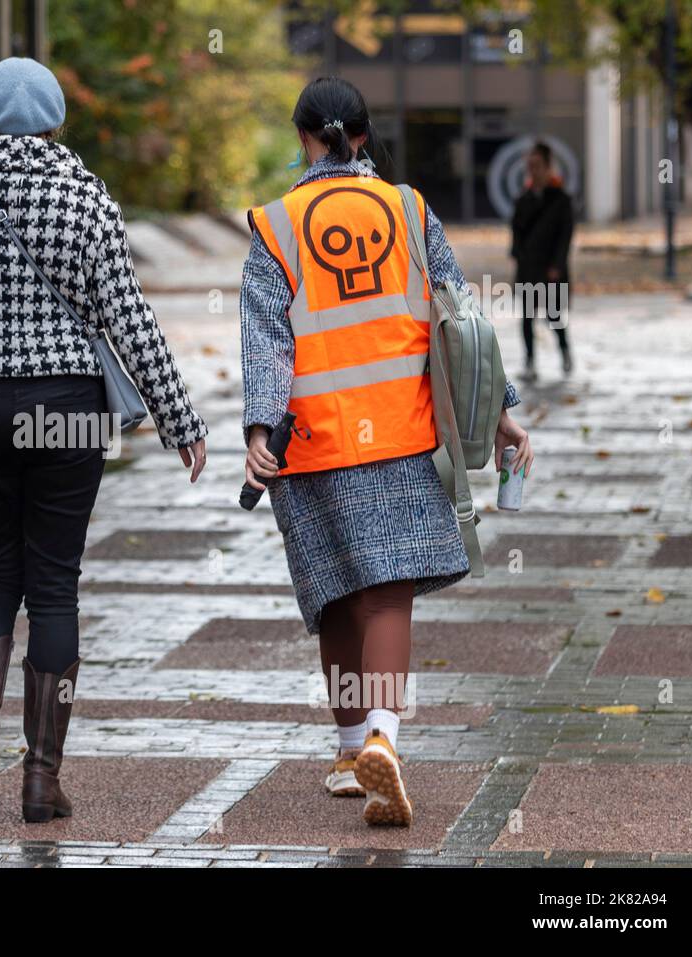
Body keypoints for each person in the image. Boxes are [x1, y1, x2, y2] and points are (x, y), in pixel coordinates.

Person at [0, 57, 209, 823]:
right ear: (57, 120)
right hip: (67, 407)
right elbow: (127, 316)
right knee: (55, 582)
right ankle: (40, 776)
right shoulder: (87, 197)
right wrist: (178, 419)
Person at [240, 76, 535, 826]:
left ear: (305, 137)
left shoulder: (274, 224)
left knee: (337, 590)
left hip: (310, 438)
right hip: (402, 430)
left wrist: (258, 430)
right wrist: (499, 411)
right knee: (388, 591)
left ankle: (348, 754)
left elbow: (266, 338)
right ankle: (383, 737)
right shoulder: (409, 208)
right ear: (362, 137)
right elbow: (458, 320)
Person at [511, 140, 575, 378]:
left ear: (548, 167)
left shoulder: (561, 200)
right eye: (530, 166)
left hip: (551, 270)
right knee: (527, 318)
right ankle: (529, 362)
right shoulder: (523, 199)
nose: (533, 171)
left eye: (537, 166)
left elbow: (565, 236)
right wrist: (517, 254)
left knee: (554, 315)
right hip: (528, 268)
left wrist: (557, 265)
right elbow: (516, 232)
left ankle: (565, 352)